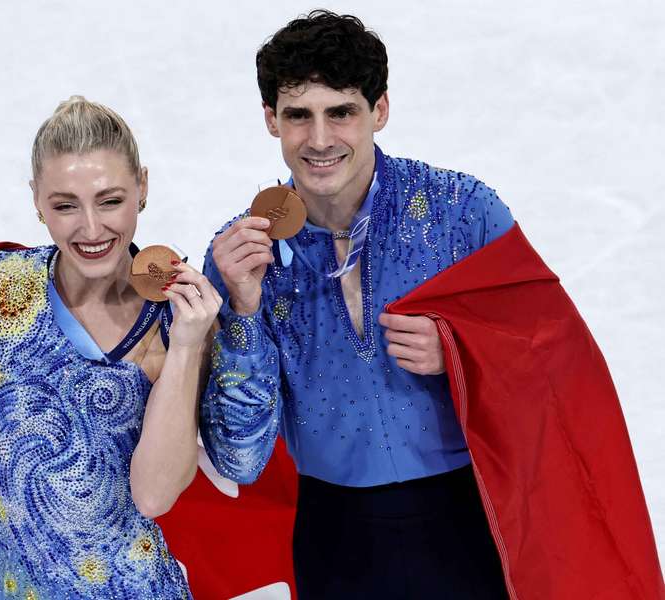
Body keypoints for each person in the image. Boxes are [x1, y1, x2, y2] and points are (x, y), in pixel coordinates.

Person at [199, 10, 658, 599]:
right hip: (335, 539)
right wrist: (240, 312)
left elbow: (560, 367)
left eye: (341, 111)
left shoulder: (463, 213)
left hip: (467, 523)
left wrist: (464, 354)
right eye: (298, 116)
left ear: (379, 110)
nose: (319, 139)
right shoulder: (242, 257)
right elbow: (240, 458)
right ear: (271, 120)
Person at [0, 96, 221, 598]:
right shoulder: (3, 289)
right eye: (65, 205)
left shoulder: (175, 319)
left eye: (110, 200)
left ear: (143, 188)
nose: (91, 229)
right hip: (4, 587)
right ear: (36, 199)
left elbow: (155, 495)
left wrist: (185, 348)